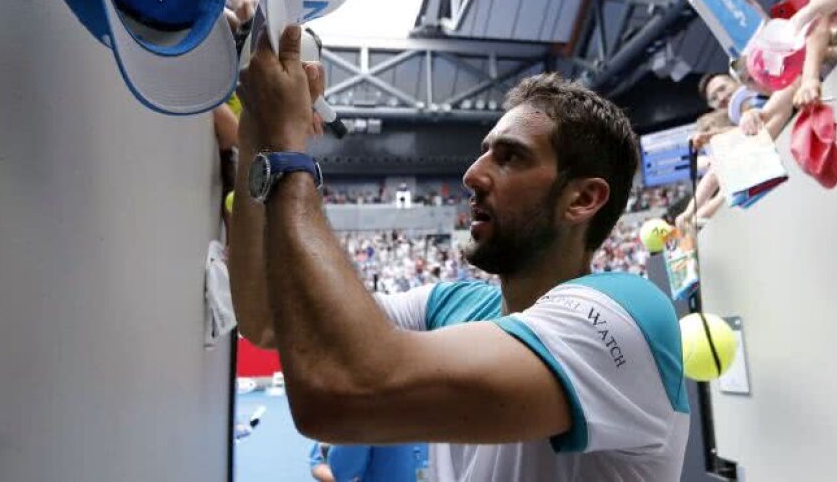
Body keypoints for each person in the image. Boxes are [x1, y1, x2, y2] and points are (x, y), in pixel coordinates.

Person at [230, 26, 690, 481]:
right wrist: (257, 130)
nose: (471, 174)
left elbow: (341, 392)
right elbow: (268, 318)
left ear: (583, 199)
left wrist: (287, 150)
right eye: (483, 153)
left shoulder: (629, 316)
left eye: (510, 157)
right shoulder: (450, 305)